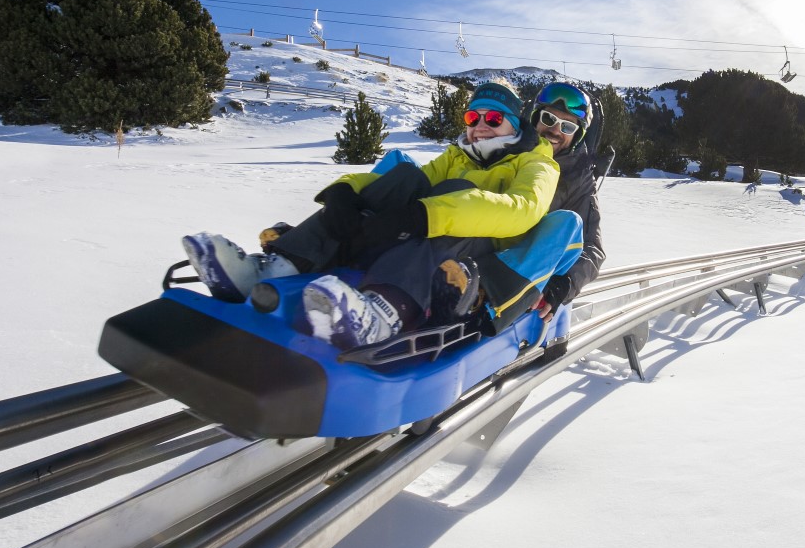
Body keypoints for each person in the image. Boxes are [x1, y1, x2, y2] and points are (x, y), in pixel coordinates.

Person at [181, 81, 583, 350]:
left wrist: (427, 215)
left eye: (493, 119)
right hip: (433, 230)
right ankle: (276, 267)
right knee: (404, 176)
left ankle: (382, 315)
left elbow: (523, 212)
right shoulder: (457, 155)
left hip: (478, 254)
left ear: (514, 125)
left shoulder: (538, 164)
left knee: (454, 193)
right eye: (472, 117)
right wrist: (348, 193)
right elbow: (415, 183)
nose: (479, 126)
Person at [523, 82, 606, 324]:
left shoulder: (579, 181)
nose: (555, 130)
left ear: (577, 135)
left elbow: (592, 247)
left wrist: (565, 283)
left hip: (529, 277)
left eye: (567, 126)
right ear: (536, 119)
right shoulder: (510, 153)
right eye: (548, 119)